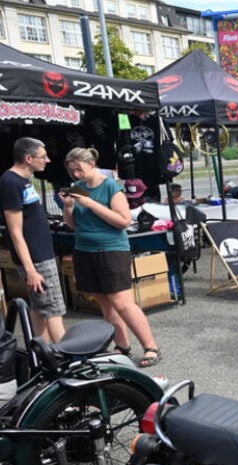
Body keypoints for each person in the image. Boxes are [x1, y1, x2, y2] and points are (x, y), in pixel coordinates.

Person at [61, 147, 161, 367]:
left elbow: (123, 221)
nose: (76, 175)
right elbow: (72, 225)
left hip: (111, 249)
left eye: (79, 169)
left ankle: (150, 346)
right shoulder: (79, 188)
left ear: (91, 164)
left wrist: (90, 203)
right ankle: (122, 345)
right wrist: (68, 207)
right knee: (104, 303)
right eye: (72, 171)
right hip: (84, 250)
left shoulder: (110, 187)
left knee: (122, 302)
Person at [0, 137, 65, 343]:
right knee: (53, 308)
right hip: (35, 258)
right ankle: (70, 359)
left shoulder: (23, 180)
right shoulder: (10, 182)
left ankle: (43, 352)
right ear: (28, 158)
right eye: (42, 156)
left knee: (40, 307)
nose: (47, 160)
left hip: (41, 253)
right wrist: (30, 270)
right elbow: (15, 231)